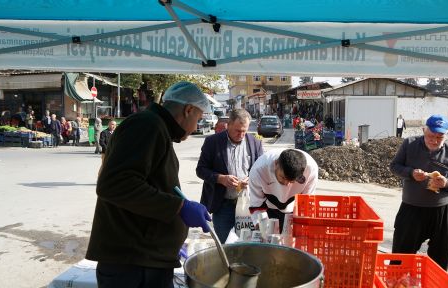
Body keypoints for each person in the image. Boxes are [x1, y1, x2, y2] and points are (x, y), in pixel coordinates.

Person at [86, 81, 212, 288]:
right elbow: (115, 184)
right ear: (188, 110)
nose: (197, 127)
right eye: (198, 118)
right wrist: (179, 207)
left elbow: (151, 185)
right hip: (133, 265)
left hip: (147, 258)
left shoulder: (157, 128)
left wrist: (171, 235)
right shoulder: (147, 125)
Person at [389, 114, 448, 271]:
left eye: (440, 137)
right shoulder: (409, 144)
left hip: (443, 212)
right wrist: (411, 173)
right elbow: (395, 166)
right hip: (412, 209)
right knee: (401, 257)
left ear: (447, 134)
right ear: (424, 130)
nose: (434, 140)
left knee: (439, 260)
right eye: (431, 136)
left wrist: (447, 182)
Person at [196, 109, 264, 243]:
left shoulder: (255, 142)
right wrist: (220, 178)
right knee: (226, 245)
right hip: (223, 205)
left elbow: (261, 170)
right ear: (229, 125)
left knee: (248, 244)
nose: (242, 135)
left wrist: (251, 179)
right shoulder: (212, 142)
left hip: (248, 204)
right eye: (238, 131)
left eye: (244, 131)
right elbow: (201, 170)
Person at [248, 148, 318, 233]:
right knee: (268, 238)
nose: (286, 183)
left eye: (291, 181)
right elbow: (256, 204)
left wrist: (302, 225)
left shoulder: (311, 170)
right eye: (283, 177)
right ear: (276, 163)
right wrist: (260, 224)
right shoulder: (259, 170)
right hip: (269, 207)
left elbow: (306, 202)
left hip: (294, 207)